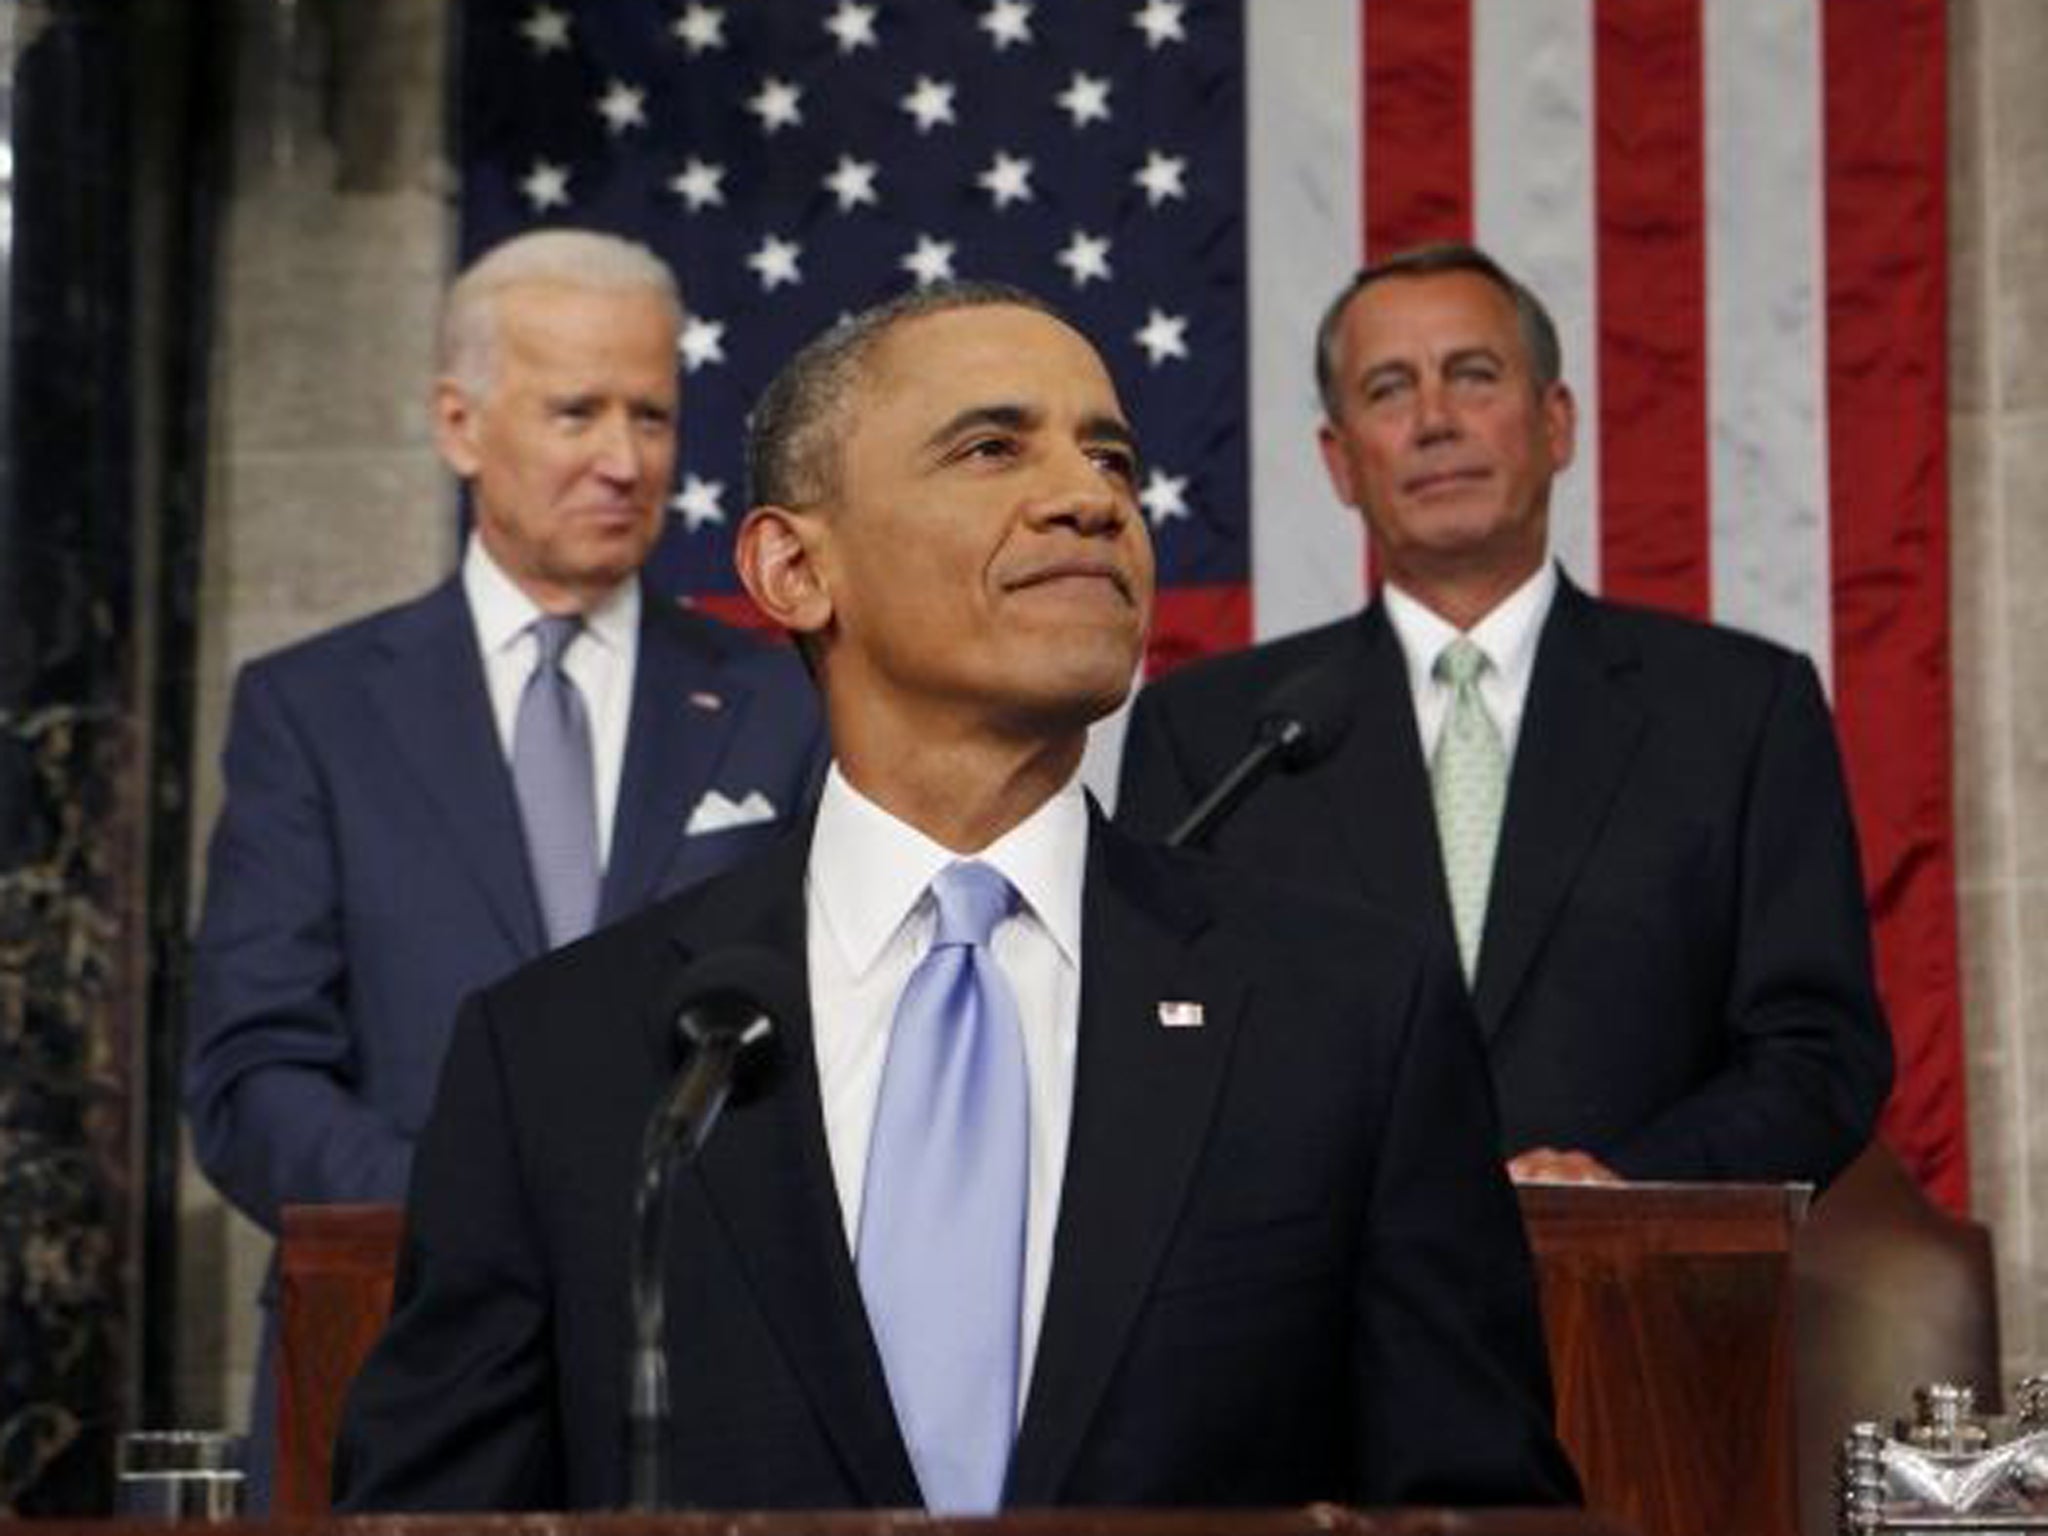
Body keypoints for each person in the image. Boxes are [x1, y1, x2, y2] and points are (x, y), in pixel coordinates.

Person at [330, 282, 1579, 1512]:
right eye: (991, 447)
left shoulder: (1349, 1014)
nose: (1088, 499)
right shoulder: (561, 1055)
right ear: (792, 569)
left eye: (1112, 460)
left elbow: (1474, 1503)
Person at [184, 229, 825, 1500]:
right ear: (458, 423)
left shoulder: (782, 700)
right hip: (390, 1354)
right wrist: (488, 1214)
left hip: (707, 1373)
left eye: (652, 414)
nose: (624, 459)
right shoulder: (310, 710)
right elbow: (251, 1072)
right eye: (576, 410)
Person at [1118, 243, 1893, 1187]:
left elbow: (1817, 1053)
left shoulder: (1740, 711)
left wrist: (1619, 1192)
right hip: (1315, 1312)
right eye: (1390, 390)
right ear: (1339, 460)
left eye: (1474, 376)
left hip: (1632, 1302)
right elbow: (1156, 1046)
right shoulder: (1215, 734)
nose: (1435, 421)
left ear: (1556, 423)